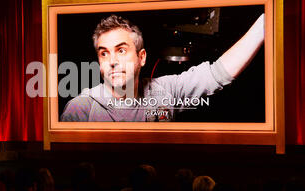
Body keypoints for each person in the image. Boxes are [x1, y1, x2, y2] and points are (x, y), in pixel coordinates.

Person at [60, 13, 265, 122]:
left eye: (121, 50)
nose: (112, 61)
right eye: (104, 53)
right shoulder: (81, 109)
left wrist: (266, 23)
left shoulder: (165, 91)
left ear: (142, 57)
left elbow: (218, 73)